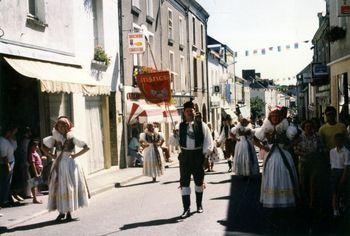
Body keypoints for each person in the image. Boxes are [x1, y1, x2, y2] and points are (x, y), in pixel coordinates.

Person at [42, 116, 90, 222]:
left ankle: (68, 212)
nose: (61, 127)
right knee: (59, 188)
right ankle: (61, 212)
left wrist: (75, 155)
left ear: (67, 126)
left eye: (63, 125)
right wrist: (52, 155)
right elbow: (43, 146)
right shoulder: (55, 137)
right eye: (59, 125)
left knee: (69, 188)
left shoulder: (72, 137)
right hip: (58, 165)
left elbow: (86, 147)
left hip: (69, 165)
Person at [254, 109, 299, 208]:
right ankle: (273, 201)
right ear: (270, 117)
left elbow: (297, 137)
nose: (275, 118)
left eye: (277, 116)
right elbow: (255, 139)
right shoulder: (266, 127)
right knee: (271, 176)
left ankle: (284, 200)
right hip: (270, 157)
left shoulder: (286, 127)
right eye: (273, 116)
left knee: (284, 175)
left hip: (284, 155)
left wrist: (289, 146)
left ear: (280, 117)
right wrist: (263, 147)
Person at [178, 100, 214, 218]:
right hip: (185, 157)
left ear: (194, 112)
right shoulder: (180, 126)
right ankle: (186, 208)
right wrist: (174, 135)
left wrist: (206, 156)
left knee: (199, 182)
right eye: (187, 111)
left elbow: (209, 141)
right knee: (184, 183)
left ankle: (199, 205)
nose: (189, 113)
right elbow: (174, 142)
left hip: (198, 156)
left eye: (191, 111)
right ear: (184, 113)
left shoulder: (202, 125)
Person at [294, 120, 323, 210]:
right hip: (303, 163)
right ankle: (304, 201)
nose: (309, 128)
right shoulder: (300, 137)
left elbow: (321, 148)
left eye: (310, 126)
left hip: (314, 163)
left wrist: (317, 154)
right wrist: (302, 153)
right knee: (303, 183)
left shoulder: (317, 137)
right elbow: (295, 150)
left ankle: (312, 202)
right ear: (303, 128)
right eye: (307, 127)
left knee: (313, 183)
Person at [330, 133, 350, 217]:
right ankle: (335, 209)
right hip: (334, 172)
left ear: (342, 141)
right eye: (335, 140)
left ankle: (342, 204)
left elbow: (346, 166)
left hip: (342, 171)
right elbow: (332, 163)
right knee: (334, 192)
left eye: (339, 140)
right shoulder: (332, 151)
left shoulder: (346, 152)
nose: (337, 142)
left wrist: (343, 177)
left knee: (342, 190)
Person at [0, 125, 18, 207]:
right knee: (5, 183)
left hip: (11, 162)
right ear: (8, 133)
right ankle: (3, 201)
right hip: (6, 164)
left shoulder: (8, 140)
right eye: (11, 133)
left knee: (8, 183)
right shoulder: (3, 141)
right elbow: (4, 156)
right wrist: (8, 166)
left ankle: (7, 199)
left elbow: (14, 148)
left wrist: (13, 136)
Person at [27, 139, 45, 204]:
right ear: (32, 146)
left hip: (38, 170)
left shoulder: (35, 152)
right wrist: (36, 173)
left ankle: (35, 197)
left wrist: (41, 158)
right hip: (34, 170)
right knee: (33, 184)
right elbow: (33, 164)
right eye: (36, 146)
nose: (37, 147)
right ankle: (34, 199)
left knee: (36, 184)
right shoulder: (31, 153)